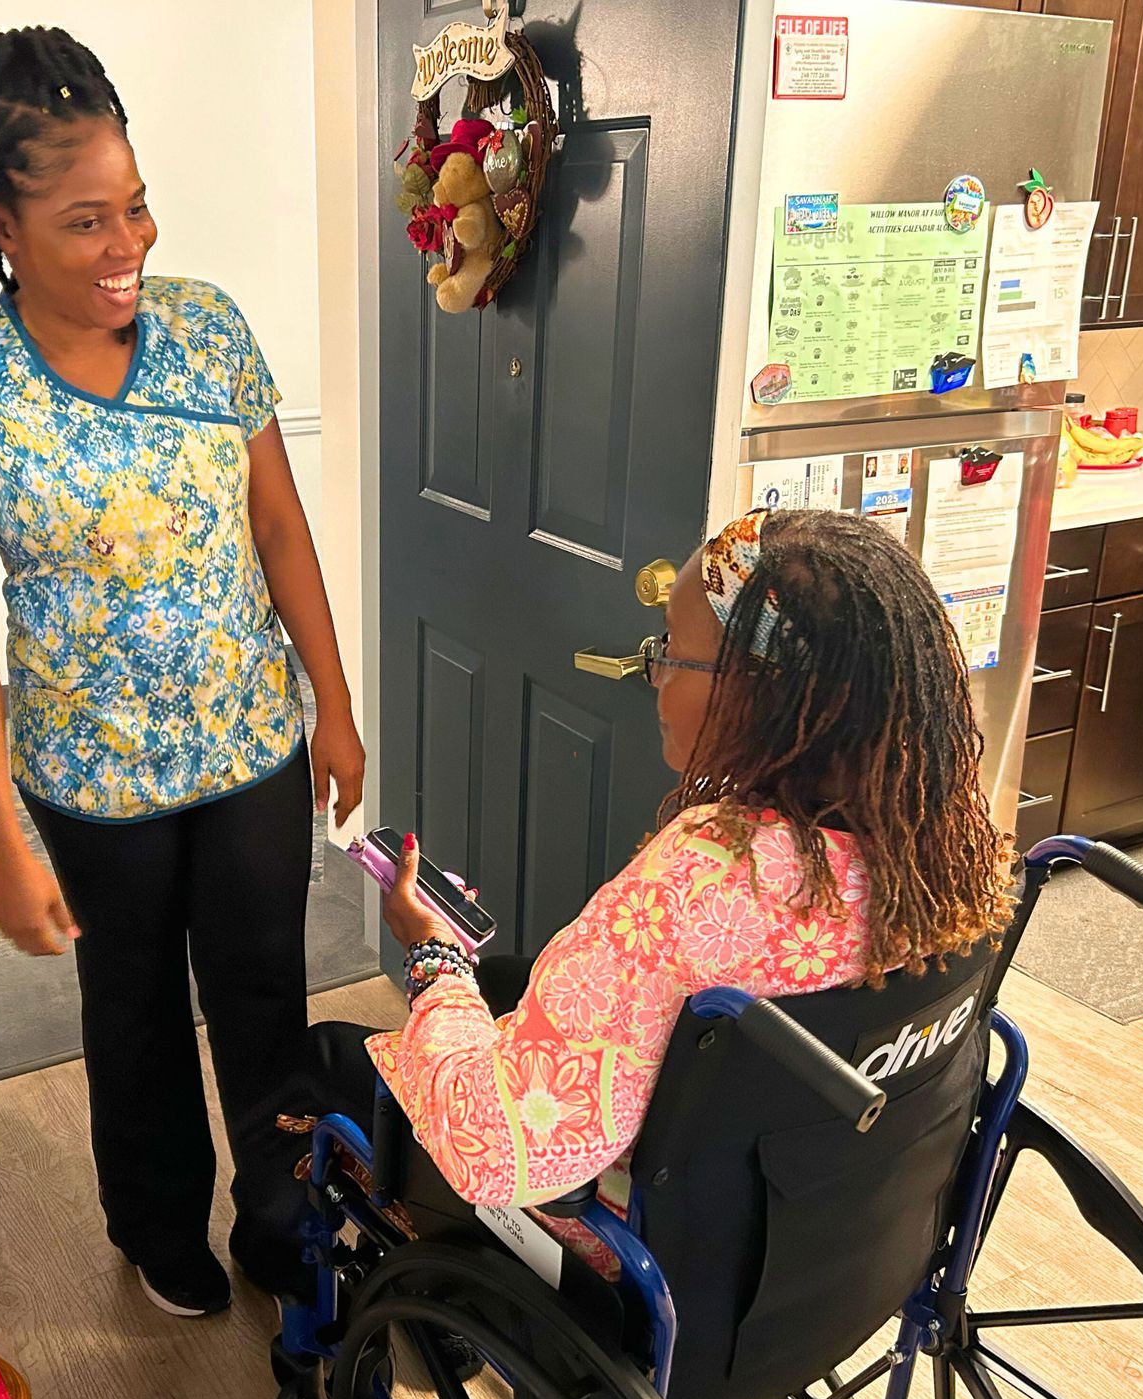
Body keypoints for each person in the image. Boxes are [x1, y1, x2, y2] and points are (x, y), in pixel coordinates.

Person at [0, 26, 363, 1315]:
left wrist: (334, 703)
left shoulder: (209, 332)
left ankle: (281, 1221)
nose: (130, 247)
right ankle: (160, 1229)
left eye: (139, 207)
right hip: (91, 785)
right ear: (3, 226)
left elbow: (278, 527)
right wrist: (0, 839)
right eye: (88, 220)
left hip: (249, 743)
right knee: (139, 1018)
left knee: (265, 996)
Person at [311, 507, 1012, 1253]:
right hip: (830, 1235)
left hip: (646, 1256)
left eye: (672, 652)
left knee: (328, 1053)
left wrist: (433, 960)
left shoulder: (699, 884)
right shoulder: (942, 846)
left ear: (759, 689)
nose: (653, 674)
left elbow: (492, 1145)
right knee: (512, 977)